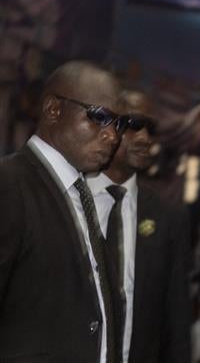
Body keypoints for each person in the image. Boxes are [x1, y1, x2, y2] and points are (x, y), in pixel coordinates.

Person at [0, 61, 126, 362]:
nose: (113, 136)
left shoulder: (80, 193)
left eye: (118, 124)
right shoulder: (8, 185)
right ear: (54, 109)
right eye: (100, 117)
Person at [86, 90, 192, 363]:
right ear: (107, 127)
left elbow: (177, 316)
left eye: (151, 128)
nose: (145, 139)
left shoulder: (168, 217)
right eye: (133, 125)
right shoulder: (67, 200)